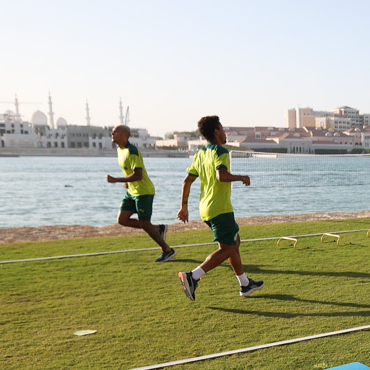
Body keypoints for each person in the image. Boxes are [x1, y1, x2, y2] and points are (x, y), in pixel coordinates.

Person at [176, 116, 262, 300]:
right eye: (222, 128)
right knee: (229, 248)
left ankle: (245, 284)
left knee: (233, 243)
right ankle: (193, 276)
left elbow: (187, 181)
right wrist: (241, 177)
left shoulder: (200, 154)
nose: (225, 132)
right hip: (220, 209)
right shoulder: (220, 151)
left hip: (205, 209)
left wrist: (184, 207)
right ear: (216, 131)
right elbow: (221, 176)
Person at [106, 124, 175, 262]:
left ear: (125, 135)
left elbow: (138, 175)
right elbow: (129, 170)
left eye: (115, 132)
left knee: (144, 223)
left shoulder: (132, 150)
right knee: (122, 220)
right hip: (132, 192)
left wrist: (116, 180)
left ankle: (168, 250)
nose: (112, 134)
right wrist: (126, 182)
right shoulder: (120, 150)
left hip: (143, 192)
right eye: (112, 132)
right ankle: (158, 229)